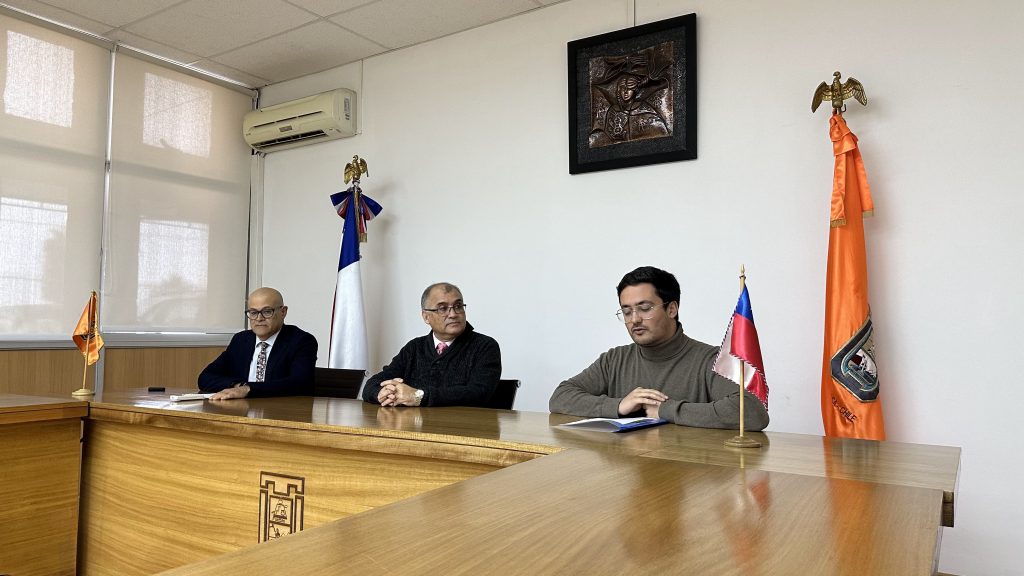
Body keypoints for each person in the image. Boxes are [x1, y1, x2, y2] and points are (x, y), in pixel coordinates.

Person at [549, 266, 769, 430]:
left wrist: (666, 409)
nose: (634, 319)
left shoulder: (710, 360)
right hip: (627, 475)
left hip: (690, 475)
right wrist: (618, 405)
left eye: (644, 308)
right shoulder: (614, 359)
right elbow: (560, 397)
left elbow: (752, 413)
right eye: (626, 312)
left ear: (672, 309)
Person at [362, 282, 501, 407]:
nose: (453, 314)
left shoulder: (485, 346)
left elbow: (478, 393)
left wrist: (418, 396)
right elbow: (373, 383)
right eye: (442, 308)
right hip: (415, 429)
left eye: (458, 306)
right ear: (426, 316)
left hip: (464, 430)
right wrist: (383, 393)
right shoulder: (414, 348)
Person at [198, 287, 317, 400]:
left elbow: (299, 383)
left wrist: (249, 389)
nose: (259, 318)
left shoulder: (302, 341)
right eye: (253, 312)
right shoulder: (241, 340)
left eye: (267, 311)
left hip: (280, 413)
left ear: (283, 312)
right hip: (240, 410)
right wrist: (239, 386)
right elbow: (205, 377)